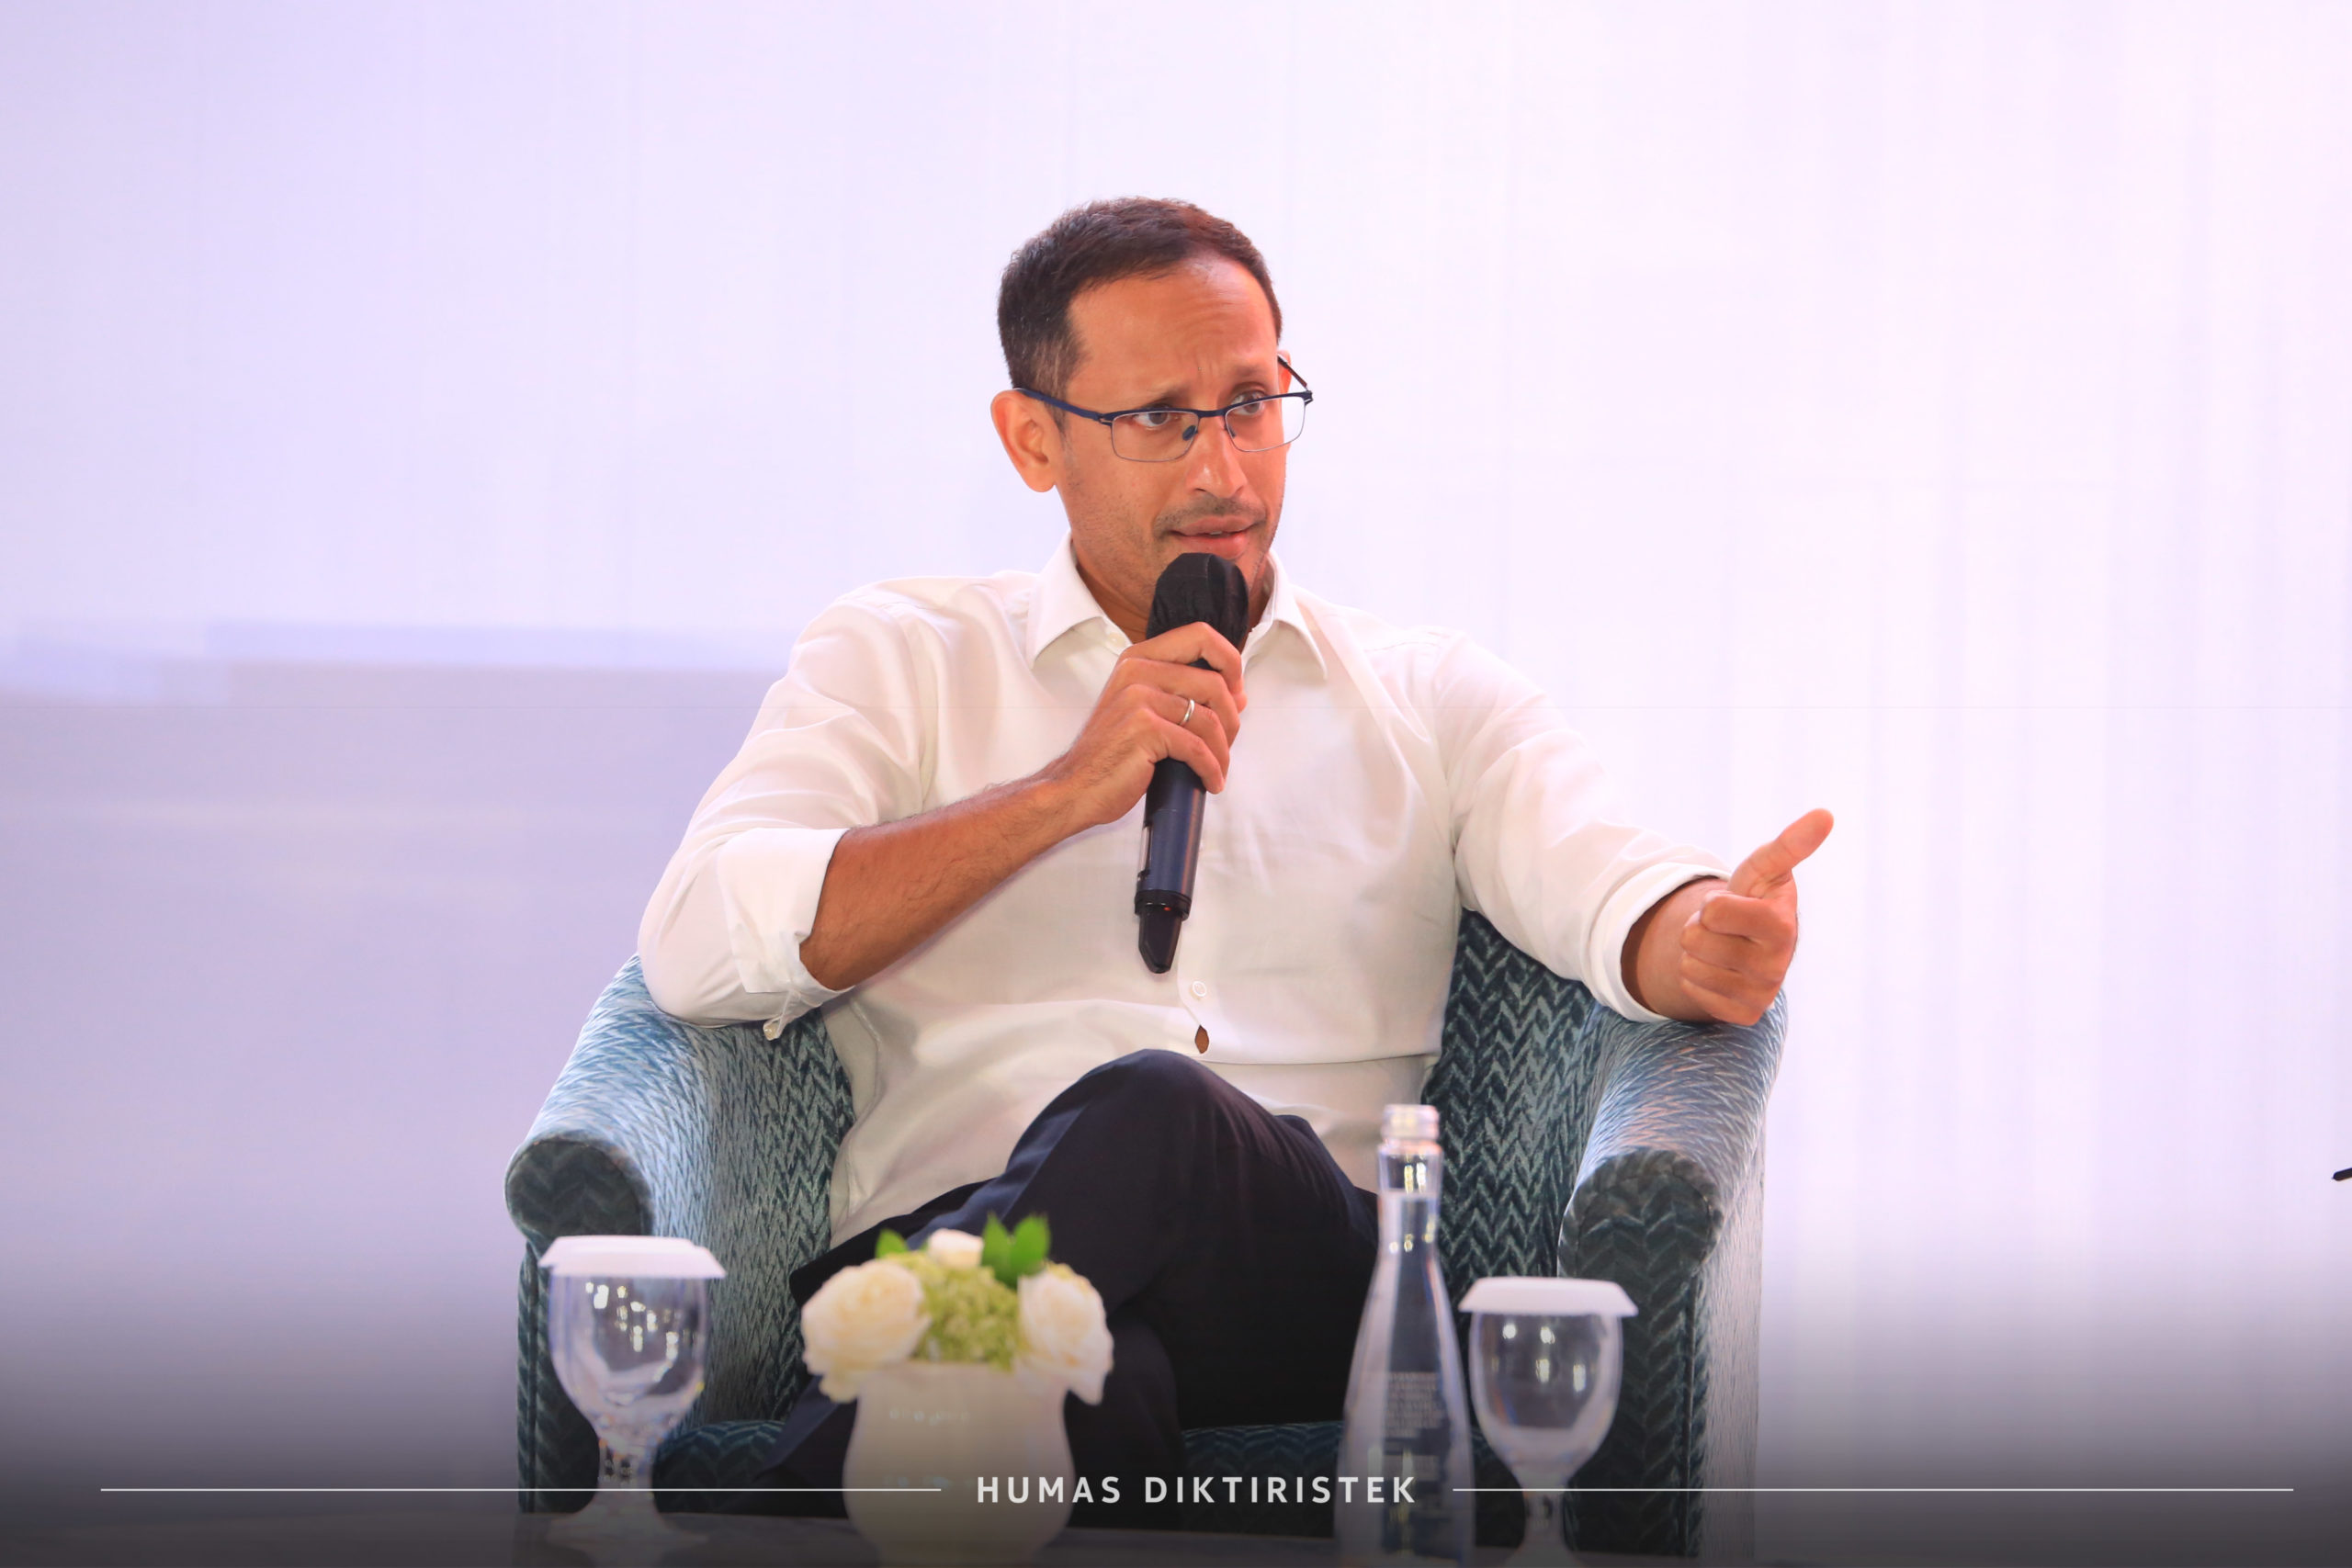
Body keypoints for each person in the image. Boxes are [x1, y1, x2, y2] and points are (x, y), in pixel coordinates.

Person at [638, 197, 1830, 1525]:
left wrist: (1698, 934)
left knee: (1158, 1110)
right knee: (1093, 1385)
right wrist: (1059, 794)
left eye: (1252, 405)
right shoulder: (902, 658)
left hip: (1294, 1283)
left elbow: (1608, 878)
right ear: (1032, 439)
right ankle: (951, 1389)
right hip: (949, 1239)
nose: (1225, 470)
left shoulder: (1428, 695)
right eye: (1161, 418)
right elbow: (696, 943)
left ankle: (774, 1520)